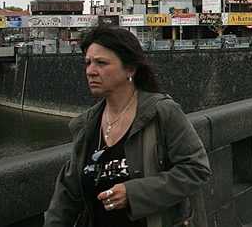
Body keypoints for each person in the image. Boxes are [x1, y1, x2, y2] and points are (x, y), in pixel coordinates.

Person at [45, 24, 211, 226]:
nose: (91, 71)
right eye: (88, 63)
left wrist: (133, 194)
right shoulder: (87, 124)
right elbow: (67, 195)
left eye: (101, 63)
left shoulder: (161, 112)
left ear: (130, 68)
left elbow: (196, 168)